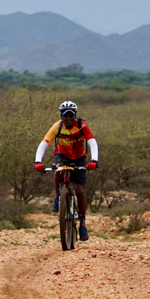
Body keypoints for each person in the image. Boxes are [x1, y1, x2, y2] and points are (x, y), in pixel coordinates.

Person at [34, 101, 99, 240]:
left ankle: (82, 224)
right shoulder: (57, 126)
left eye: (71, 115)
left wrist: (94, 160)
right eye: (65, 115)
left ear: (75, 115)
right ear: (61, 116)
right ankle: (58, 197)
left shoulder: (81, 125)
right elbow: (44, 143)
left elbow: (92, 141)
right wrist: (38, 161)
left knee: (80, 190)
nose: (68, 118)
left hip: (79, 157)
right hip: (61, 155)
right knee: (59, 170)